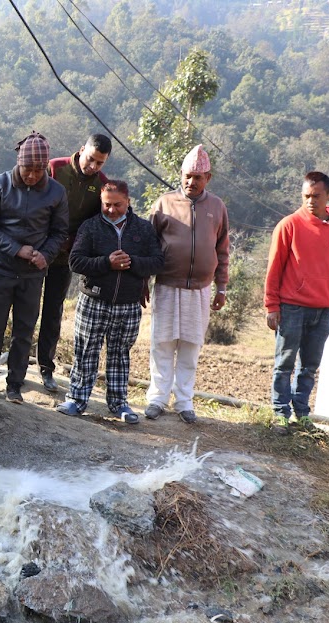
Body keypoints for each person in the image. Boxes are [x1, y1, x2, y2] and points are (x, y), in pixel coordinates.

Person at [56, 181, 164, 423]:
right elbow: (76, 262)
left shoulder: (143, 229)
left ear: (128, 201)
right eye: (107, 205)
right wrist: (107, 262)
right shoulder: (90, 227)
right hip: (93, 300)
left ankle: (119, 404)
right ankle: (77, 399)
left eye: (117, 205)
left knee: (119, 354)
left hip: (128, 304)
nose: (112, 210)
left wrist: (132, 262)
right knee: (85, 352)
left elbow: (158, 261)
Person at [0, 131, 69, 404]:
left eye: (39, 170)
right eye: (28, 169)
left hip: (33, 272)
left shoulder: (56, 191)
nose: (32, 176)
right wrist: (16, 249)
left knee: (24, 329)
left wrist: (46, 255)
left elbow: (60, 232)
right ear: (18, 163)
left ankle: (15, 385)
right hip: (1, 268)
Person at [144, 145, 229, 424]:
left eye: (198, 177)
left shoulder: (216, 207)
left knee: (190, 347)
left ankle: (184, 402)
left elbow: (222, 250)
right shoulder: (164, 203)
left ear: (208, 178)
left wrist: (222, 286)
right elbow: (146, 247)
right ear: (181, 175)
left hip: (200, 290)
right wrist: (143, 281)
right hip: (167, 285)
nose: (191, 182)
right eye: (187, 176)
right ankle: (157, 398)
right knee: (162, 343)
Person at [264, 171, 329, 431]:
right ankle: (280, 412)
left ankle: (301, 414)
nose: (310, 201)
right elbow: (274, 269)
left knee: (310, 367)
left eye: (316, 196)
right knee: (284, 364)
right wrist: (272, 306)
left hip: (324, 310)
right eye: (306, 196)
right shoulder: (289, 224)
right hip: (292, 307)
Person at [39, 134, 112, 392]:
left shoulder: (102, 184)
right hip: (39, 251)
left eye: (99, 163)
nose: (92, 166)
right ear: (82, 150)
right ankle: (17, 366)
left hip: (65, 256)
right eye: (90, 159)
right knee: (26, 309)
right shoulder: (55, 168)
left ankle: (46, 369)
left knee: (53, 311)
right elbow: (36, 204)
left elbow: (96, 222)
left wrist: (75, 242)